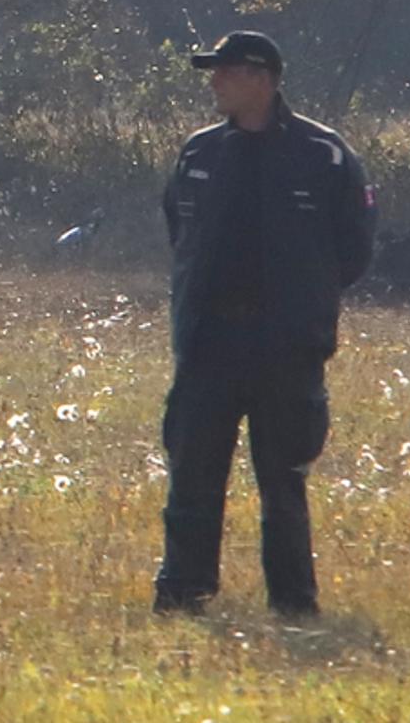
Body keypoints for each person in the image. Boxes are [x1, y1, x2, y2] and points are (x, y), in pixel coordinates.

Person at [154, 31, 375, 617]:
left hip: (285, 347)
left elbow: (352, 250)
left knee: (283, 482)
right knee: (193, 475)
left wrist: (302, 305)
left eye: (224, 72)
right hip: (209, 344)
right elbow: (180, 231)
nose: (214, 83)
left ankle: (294, 603)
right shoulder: (199, 154)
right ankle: (183, 593)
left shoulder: (322, 155)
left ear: (260, 78)